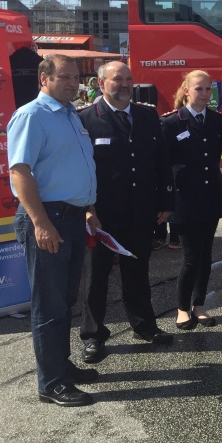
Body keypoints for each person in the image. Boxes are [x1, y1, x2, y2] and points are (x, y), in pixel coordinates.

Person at [7, 55, 100, 406]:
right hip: (49, 220)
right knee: (48, 306)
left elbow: (76, 168)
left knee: (64, 301)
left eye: (76, 77)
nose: (73, 83)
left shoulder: (69, 115)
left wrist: (88, 209)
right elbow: (19, 172)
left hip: (73, 218)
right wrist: (41, 223)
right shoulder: (32, 115)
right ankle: (51, 383)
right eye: (64, 77)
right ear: (43, 78)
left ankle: (61, 366)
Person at [78, 61, 174, 366]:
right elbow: (79, 171)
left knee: (137, 270)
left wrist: (166, 200)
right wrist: (86, 211)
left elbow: (161, 160)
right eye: (117, 80)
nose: (125, 85)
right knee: (97, 277)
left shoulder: (146, 115)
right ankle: (93, 336)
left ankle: (144, 325)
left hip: (140, 211)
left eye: (129, 80)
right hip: (101, 216)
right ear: (101, 83)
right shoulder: (85, 120)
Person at [160, 71, 222, 330]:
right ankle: (182, 308)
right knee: (191, 257)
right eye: (199, 89)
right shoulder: (171, 123)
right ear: (187, 90)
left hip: (210, 197)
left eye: (209, 89)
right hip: (185, 200)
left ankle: (199, 305)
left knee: (206, 255)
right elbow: (162, 165)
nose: (205, 94)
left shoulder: (217, 121)